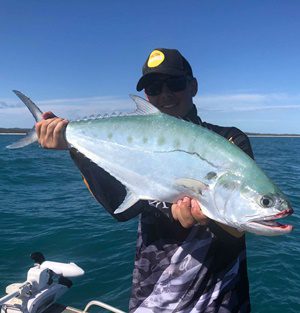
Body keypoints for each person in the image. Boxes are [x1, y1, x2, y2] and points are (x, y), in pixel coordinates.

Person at [36, 48, 253, 312]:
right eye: (153, 88)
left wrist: (201, 215)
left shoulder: (229, 141)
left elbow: (239, 224)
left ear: (193, 86)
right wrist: (72, 146)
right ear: (146, 97)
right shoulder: (133, 147)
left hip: (219, 300)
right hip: (152, 295)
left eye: (174, 83)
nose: (165, 95)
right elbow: (120, 208)